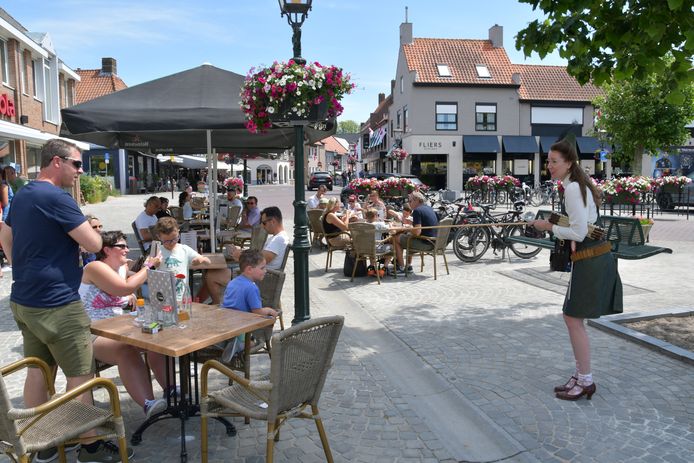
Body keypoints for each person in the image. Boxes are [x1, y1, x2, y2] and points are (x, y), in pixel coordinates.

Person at [0, 139, 132, 462]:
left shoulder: (25, 193)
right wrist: (93, 233)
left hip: (25, 299)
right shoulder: (58, 197)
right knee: (80, 373)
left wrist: (20, 263)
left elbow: (4, 232)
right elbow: (92, 243)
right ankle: (88, 444)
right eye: (76, 164)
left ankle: (39, 442)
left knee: (38, 369)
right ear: (56, 162)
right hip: (58, 303)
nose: (80, 170)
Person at [530, 139, 622, 401]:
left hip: (590, 259)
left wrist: (548, 227)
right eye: (548, 161)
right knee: (573, 319)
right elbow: (582, 225)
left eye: (554, 161)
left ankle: (585, 380)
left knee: (572, 319)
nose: (549, 166)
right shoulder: (575, 185)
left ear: (569, 163)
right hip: (591, 258)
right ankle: (582, 375)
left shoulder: (572, 189)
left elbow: (579, 232)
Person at [80, 231, 172, 418]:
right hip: (93, 331)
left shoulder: (122, 268)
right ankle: (149, 403)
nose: (127, 249)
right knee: (124, 349)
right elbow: (125, 287)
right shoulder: (94, 267)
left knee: (157, 338)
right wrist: (148, 267)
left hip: (120, 327)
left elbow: (132, 282)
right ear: (106, 249)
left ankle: (171, 390)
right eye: (122, 246)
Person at [219, 249, 278, 361]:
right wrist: (270, 310)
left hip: (225, 324)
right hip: (240, 327)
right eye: (262, 268)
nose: (265, 271)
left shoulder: (233, 282)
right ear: (250, 269)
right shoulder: (251, 287)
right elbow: (257, 312)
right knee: (251, 340)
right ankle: (239, 346)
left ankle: (229, 343)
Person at [155, 217, 230, 304]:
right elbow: (145, 267)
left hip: (183, 297)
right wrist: (153, 264)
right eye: (167, 241)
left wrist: (201, 260)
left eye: (175, 239)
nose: (171, 243)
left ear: (178, 231)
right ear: (159, 237)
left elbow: (206, 261)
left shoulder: (184, 249)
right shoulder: (157, 250)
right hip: (163, 296)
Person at [226, 206, 290, 271]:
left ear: (273, 221)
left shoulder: (279, 239)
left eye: (264, 223)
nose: (262, 226)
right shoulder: (278, 237)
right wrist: (242, 252)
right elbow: (260, 255)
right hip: (256, 273)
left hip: (260, 276)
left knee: (221, 272)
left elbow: (260, 260)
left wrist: (240, 255)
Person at [392, 191, 438, 274]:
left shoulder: (417, 211)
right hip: (434, 242)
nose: (409, 204)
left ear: (417, 200)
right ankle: (408, 266)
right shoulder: (429, 208)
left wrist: (408, 228)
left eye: (410, 201)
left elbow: (417, 232)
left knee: (396, 238)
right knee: (408, 236)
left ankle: (402, 268)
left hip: (426, 244)